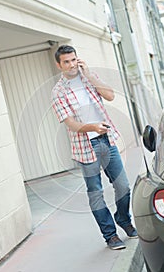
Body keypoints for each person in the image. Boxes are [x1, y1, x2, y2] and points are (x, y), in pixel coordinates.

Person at [51, 45, 137, 250]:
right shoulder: (57, 92)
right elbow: (70, 123)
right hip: (85, 146)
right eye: (66, 62)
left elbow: (110, 96)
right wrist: (92, 127)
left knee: (123, 186)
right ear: (59, 65)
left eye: (73, 60)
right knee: (96, 192)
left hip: (107, 140)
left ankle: (123, 219)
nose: (72, 65)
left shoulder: (89, 78)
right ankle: (110, 235)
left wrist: (89, 75)